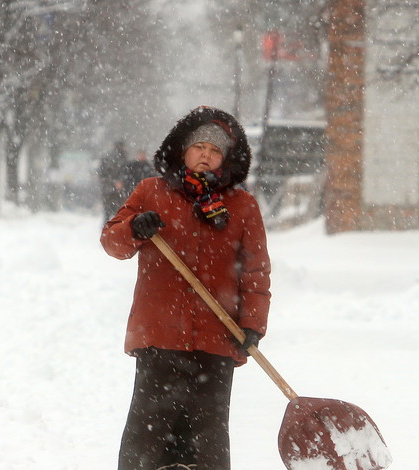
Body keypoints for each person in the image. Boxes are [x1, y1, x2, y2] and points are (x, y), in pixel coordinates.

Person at [101, 106, 271, 470]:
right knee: (147, 439)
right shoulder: (151, 192)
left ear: (225, 160)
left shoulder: (242, 207)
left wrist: (252, 324)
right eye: (199, 148)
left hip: (216, 339)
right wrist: (134, 227)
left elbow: (256, 272)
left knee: (207, 442)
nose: (206, 156)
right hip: (159, 336)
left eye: (215, 151)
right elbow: (112, 242)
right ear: (183, 151)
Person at [98, 140, 129, 221]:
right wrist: (116, 182)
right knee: (116, 213)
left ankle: (109, 230)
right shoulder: (122, 158)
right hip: (115, 191)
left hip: (111, 190)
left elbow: (101, 175)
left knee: (109, 213)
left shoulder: (109, 158)